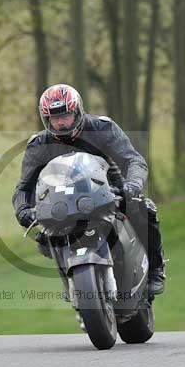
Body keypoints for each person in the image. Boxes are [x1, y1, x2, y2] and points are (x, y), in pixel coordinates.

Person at [12, 83, 166, 296]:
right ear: (46, 119)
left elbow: (133, 160)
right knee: (44, 238)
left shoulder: (102, 128)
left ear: (77, 111)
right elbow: (24, 186)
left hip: (109, 192)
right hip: (63, 204)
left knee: (144, 209)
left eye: (65, 115)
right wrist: (23, 209)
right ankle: (68, 278)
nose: (60, 122)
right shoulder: (38, 145)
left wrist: (133, 184)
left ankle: (156, 270)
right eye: (54, 118)